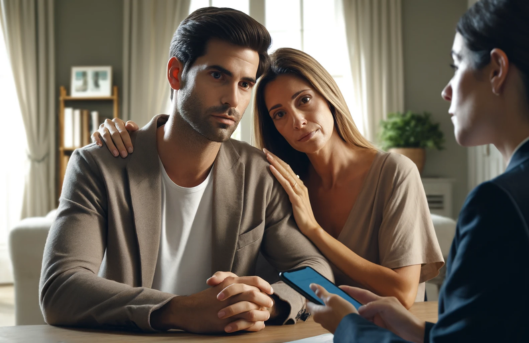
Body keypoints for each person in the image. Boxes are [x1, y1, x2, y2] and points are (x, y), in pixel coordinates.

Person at [293, 0, 529, 342]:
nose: (446, 90)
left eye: (456, 65)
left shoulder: (499, 204)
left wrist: (350, 327)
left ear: (497, 69)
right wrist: (421, 332)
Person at [40, 7, 333, 334]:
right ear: (176, 74)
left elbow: (314, 271)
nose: (233, 100)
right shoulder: (98, 166)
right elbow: (60, 287)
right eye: (218, 75)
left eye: (246, 84)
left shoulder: (260, 174)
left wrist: (271, 302)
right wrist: (179, 310)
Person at [95, 48, 445, 308]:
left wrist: (314, 231)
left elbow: (400, 292)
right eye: (279, 114)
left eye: (304, 100)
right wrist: (126, 134)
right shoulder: (281, 179)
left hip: (386, 332)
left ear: (329, 96)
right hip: (317, 331)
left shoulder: (394, 172)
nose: (297, 120)